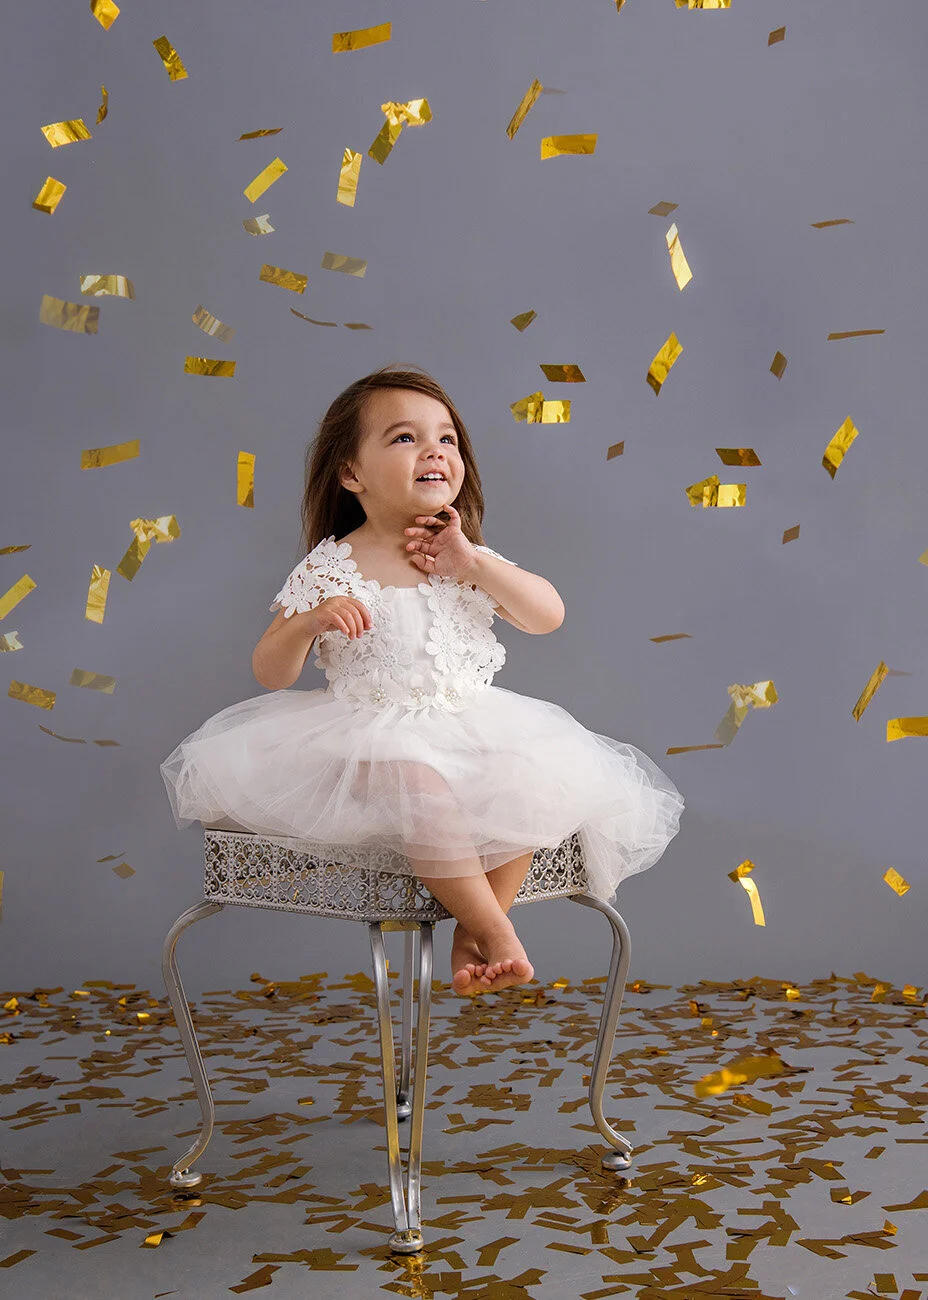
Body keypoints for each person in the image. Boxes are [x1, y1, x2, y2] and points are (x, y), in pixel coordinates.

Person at [160, 363, 685, 996]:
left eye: (447, 439)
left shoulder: (462, 552)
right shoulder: (333, 565)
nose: (435, 450)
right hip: (369, 740)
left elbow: (547, 614)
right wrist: (308, 624)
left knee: (531, 770)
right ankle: (496, 933)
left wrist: (476, 567)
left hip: (470, 727)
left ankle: (473, 931)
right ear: (351, 474)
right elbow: (270, 671)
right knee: (414, 781)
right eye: (405, 438)